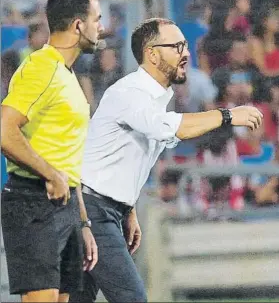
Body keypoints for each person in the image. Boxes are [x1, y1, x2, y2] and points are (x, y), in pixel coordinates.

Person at [68, 17, 263, 303]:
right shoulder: (131, 92)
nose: (186, 53)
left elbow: (124, 157)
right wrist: (228, 115)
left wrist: (128, 208)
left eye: (185, 45)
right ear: (152, 53)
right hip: (91, 210)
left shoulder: (154, 97)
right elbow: (173, 128)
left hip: (102, 208)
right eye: (176, 46)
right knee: (132, 298)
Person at [1, 0, 106, 303]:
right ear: (78, 25)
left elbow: (68, 157)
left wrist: (83, 221)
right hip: (34, 200)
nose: (101, 27)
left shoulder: (67, 74)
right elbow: (4, 130)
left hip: (66, 205)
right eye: (97, 19)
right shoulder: (40, 67)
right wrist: (50, 174)